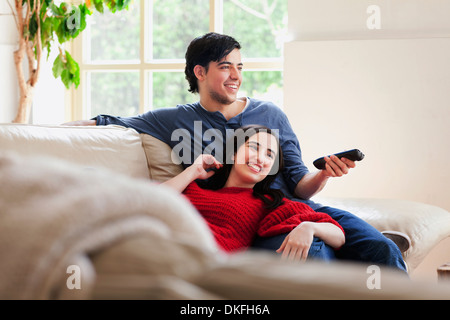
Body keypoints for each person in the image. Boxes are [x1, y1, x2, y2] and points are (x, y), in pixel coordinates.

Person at [65, 32, 407, 272]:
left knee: (382, 249)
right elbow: (111, 120)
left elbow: (299, 182)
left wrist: (323, 175)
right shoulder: (174, 120)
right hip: (253, 221)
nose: (236, 76)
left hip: (296, 206)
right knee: (311, 258)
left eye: (240, 67)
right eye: (226, 67)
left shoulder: (270, 114)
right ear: (200, 72)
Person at [163, 125, 345, 261]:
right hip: (161, 245)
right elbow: (149, 199)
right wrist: (193, 170)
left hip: (200, 260)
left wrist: (309, 227)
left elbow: (338, 235)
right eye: (254, 147)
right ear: (233, 153)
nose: (260, 158)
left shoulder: (268, 202)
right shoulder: (193, 187)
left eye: (269, 155)